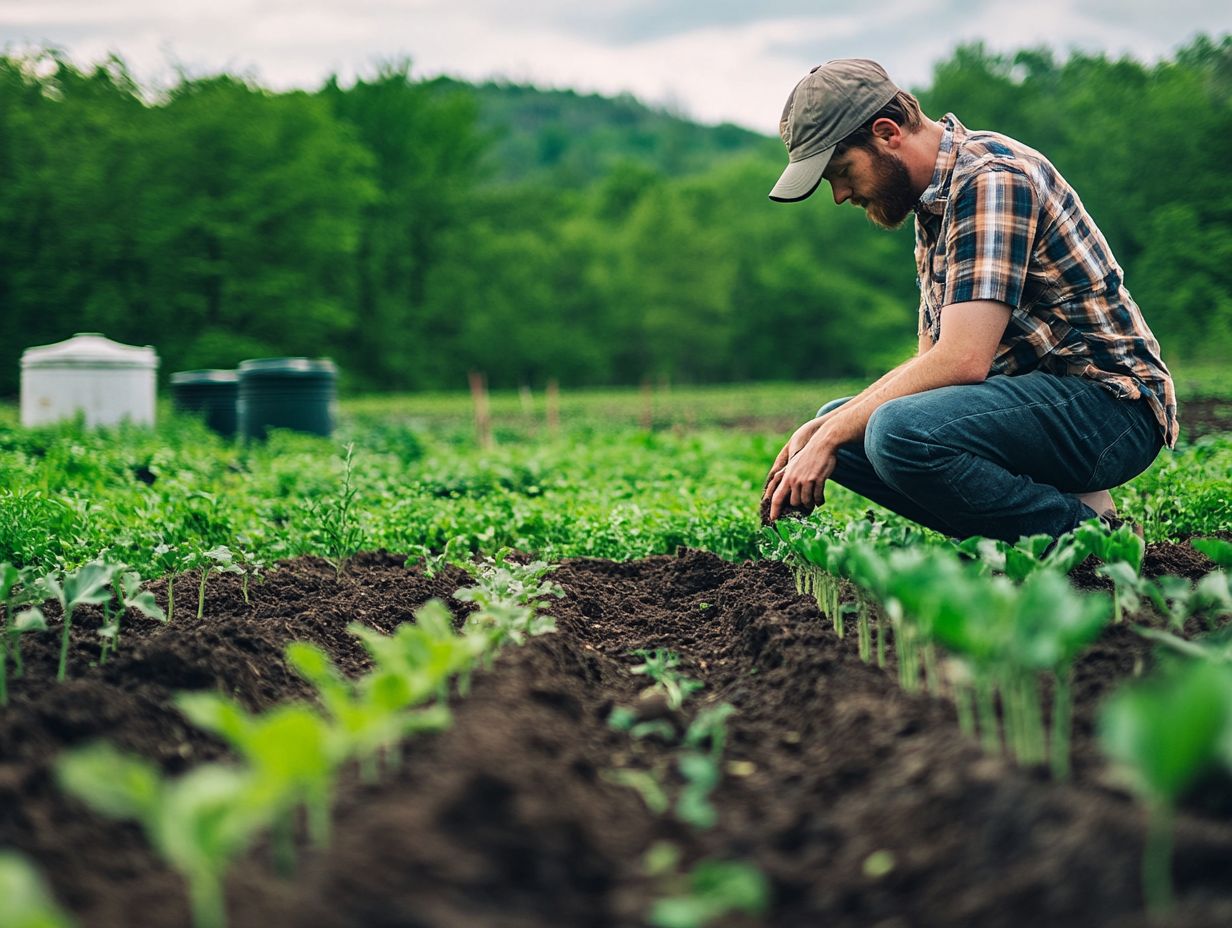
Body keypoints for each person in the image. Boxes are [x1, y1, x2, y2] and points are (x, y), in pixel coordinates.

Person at [761, 58, 1176, 542]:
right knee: (842, 422)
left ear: (887, 132)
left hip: (1110, 409)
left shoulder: (991, 179)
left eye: (841, 171)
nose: (839, 195)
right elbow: (930, 368)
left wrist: (833, 432)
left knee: (890, 431)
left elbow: (961, 361)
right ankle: (1060, 517)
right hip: (1041, 405)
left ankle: (1086, 542)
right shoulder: (932, 206)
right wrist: (824, 429)